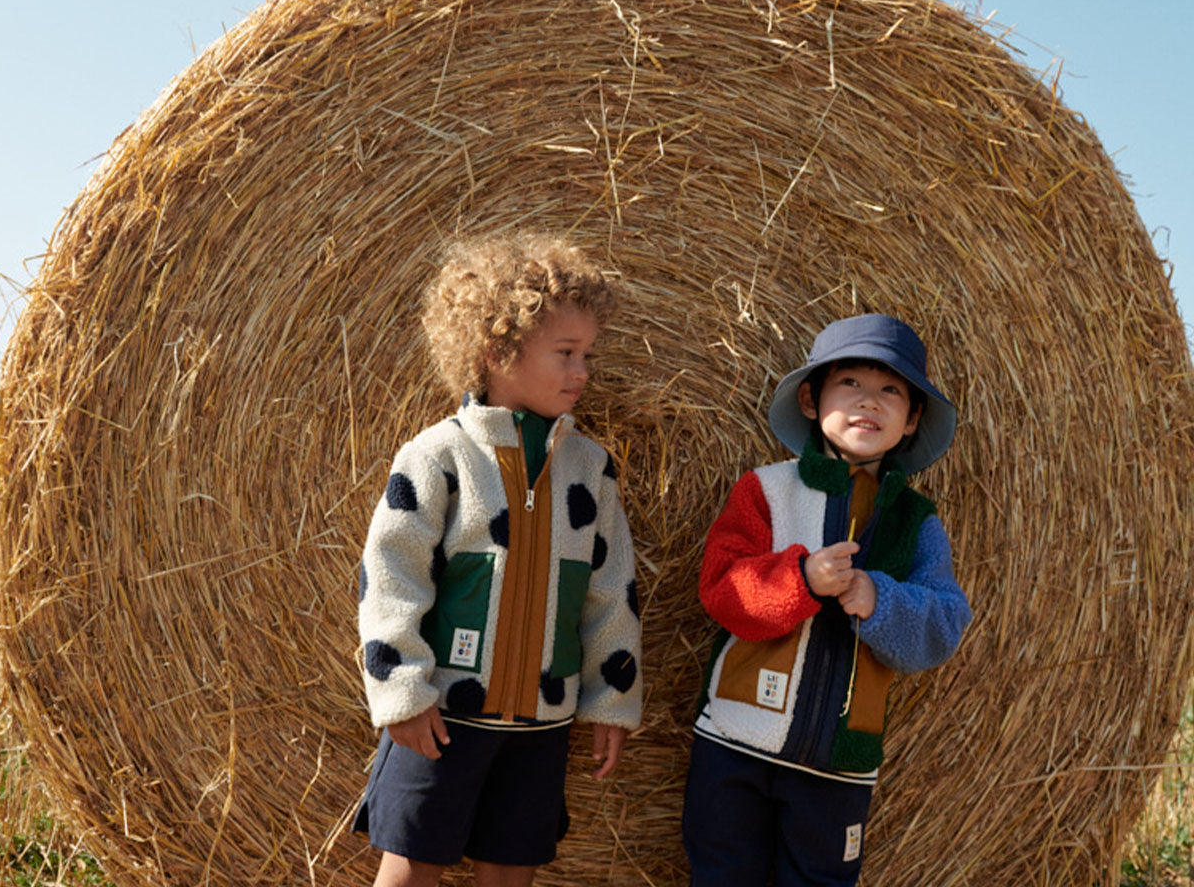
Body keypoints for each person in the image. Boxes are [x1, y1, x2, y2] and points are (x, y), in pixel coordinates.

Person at [354, 232, 643, 887]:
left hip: (541, 726)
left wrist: (611, 700)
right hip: (442, 714)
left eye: (587, 355)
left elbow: (610, 592)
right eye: (565, 353)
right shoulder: (438, 457)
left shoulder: (589, 470)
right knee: (410, 866)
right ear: (495, 351)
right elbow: (391, 575)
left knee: (512, 869)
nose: (582, 372)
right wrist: (401, 689)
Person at [682, 313, 972, 887]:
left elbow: (945, 621)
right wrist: (800, 579)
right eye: (852, 384)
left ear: (913, 420)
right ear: (812, 402)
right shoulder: (766, 488)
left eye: (891, 390)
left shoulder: (915, 522)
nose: (870, 401)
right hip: (737, 743)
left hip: (839, 767)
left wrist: (880, 599)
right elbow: (721, 585)